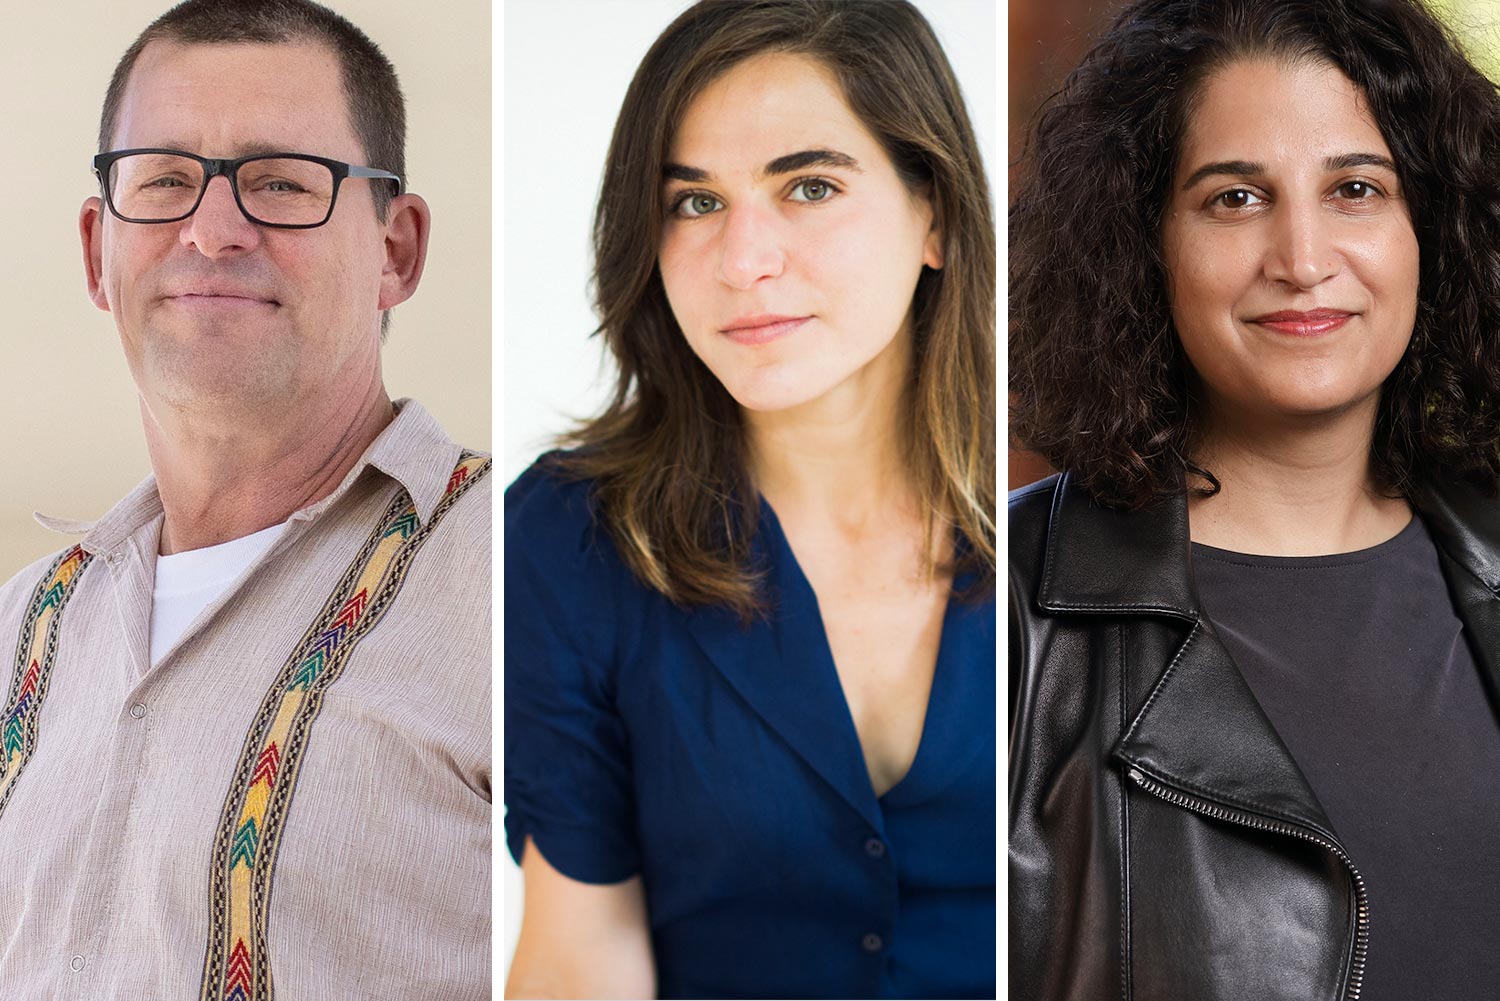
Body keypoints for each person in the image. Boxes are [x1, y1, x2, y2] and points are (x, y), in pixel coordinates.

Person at [503, 1, 996, 998]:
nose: (743, 260)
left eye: (809, 187)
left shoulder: (1060, 508)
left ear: (934, 213)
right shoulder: (566, 538)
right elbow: (580, 946)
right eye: (694, 202)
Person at [1008, 0, 1500, 997]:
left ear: (1430, 230)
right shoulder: (1008, 604)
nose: (1303, 258)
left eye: (1356, 188)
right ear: (1144, 243)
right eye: (1236, 198)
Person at [0, 1, 490, 998]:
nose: (213, 230)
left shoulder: (525, 574)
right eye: (167, 180)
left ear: (396, 248)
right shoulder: (19, 631)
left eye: (278, 182)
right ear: (99, 249)